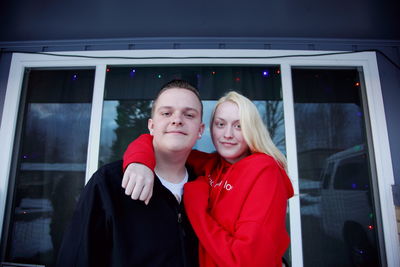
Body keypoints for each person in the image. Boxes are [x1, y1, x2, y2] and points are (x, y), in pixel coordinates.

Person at [122, 91, 294, 267]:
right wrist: (139, 162)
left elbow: (247, 261)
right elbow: (159, 145)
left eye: (239, 126)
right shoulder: (211, 165)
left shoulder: (265, 171)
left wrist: (197, 210)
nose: (227, 134)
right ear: (209, 129)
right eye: (220, 124)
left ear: (252, 129)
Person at [56, 80, 205, 267]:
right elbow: (78, 257)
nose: (177, 119)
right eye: (166, 113)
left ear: (200, 130)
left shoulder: (209, 186)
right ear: (151, 126)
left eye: (189, 114)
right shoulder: (108, 183)